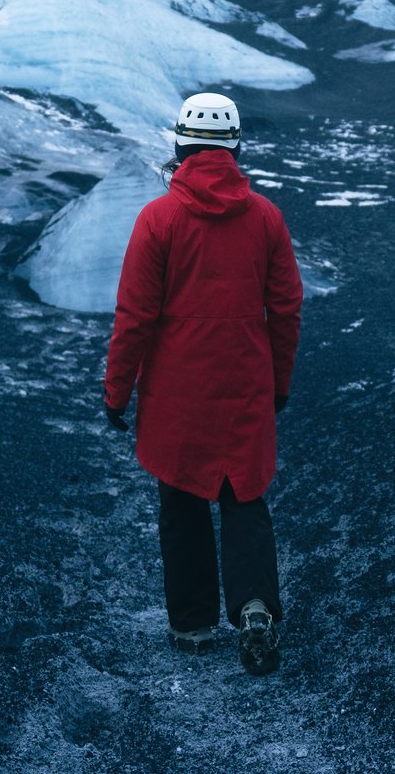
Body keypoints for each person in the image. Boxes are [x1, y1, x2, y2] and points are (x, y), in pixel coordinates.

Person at [102, 92, 303, 675]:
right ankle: (256, 605)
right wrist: (279, 384)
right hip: (244, 383)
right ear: (235, 147)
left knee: (183, 500)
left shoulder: (158, 219)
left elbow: (134, 316)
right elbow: (286, 308)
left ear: (181, 146)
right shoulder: (265, 217)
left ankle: (193, 627)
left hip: (176, 391)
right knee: (245, 496)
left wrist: (116, 394)